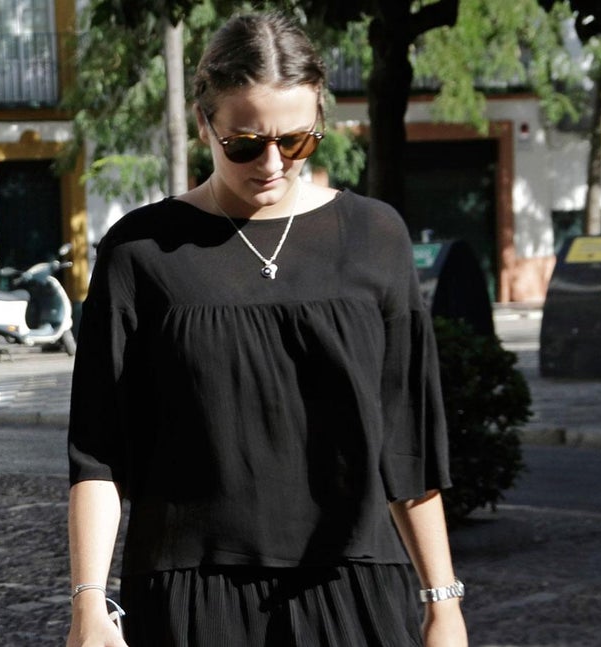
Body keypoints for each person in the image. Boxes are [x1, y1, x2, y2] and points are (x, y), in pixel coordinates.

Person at [66, 12, 468, 647]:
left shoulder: (375, 236)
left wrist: (443, 601)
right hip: (191, 591)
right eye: (246, 144)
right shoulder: (139, 252)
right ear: (206, 126)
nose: (274, 164)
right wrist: (89, 606)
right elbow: (98, 451)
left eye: (299, 141)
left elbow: (406, 439)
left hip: (354, 585)